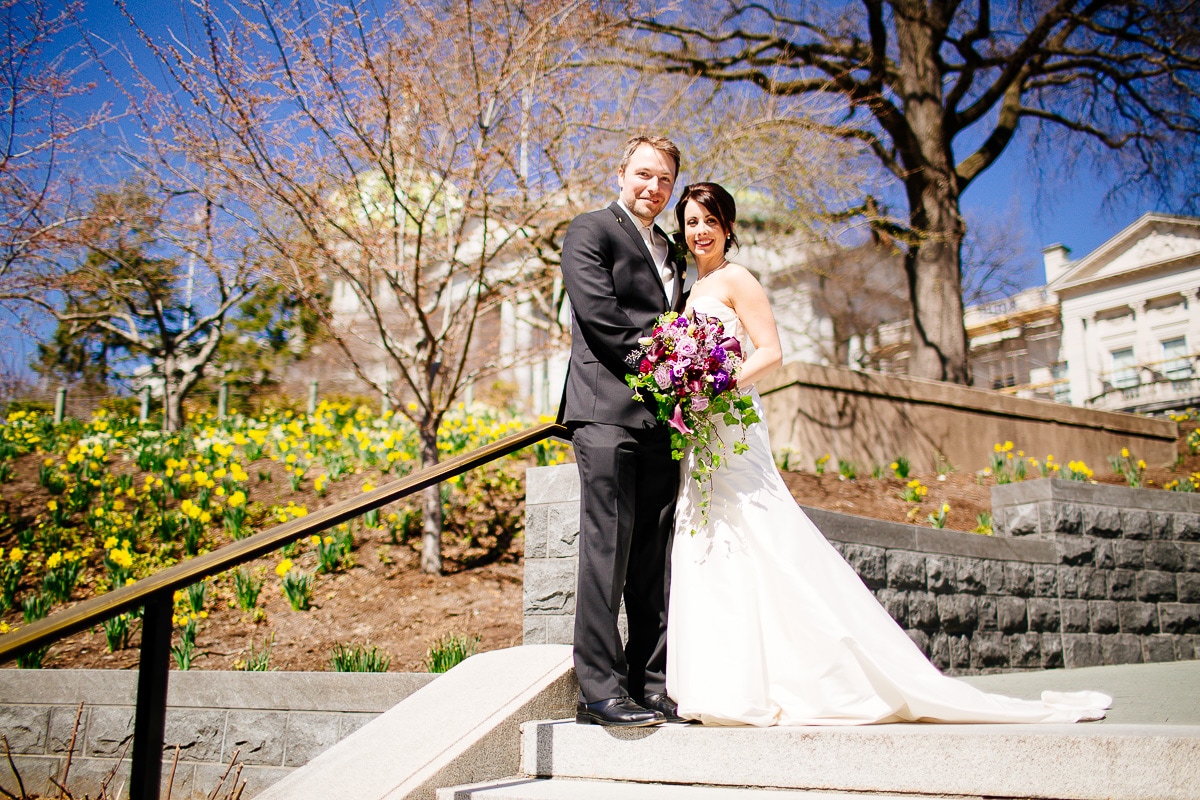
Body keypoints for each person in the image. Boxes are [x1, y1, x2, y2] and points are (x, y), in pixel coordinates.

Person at [665, 182, 1112, 726]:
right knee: (713, 541)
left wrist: (718, 385)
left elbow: (773, 353)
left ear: (728, 226)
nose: (700, 231)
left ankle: (819, 672)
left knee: (766, 536)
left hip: (733, 425)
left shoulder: (737, 279)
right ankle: (725, 687)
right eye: (690, 222)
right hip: (702, 435)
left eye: (710, 220)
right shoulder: (691, 292)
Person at [558, 135, 689, 727]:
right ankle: (598, 692)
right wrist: (672, 370)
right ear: (621, 173)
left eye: (664, 180)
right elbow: (603, 319)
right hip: (606, 412)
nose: (653, 188)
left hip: (663, 422)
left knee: (653, 557)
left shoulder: (674, 251)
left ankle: (650, 682)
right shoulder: (591, 230)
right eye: (644, 175)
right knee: (606, 552)